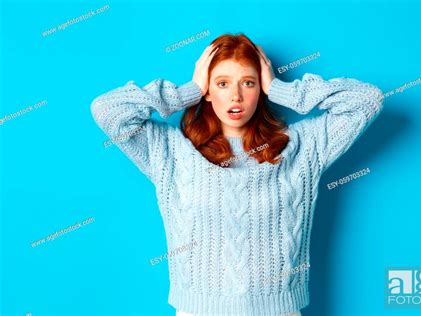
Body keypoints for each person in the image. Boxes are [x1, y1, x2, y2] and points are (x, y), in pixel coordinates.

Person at [91, 33, 384, 316]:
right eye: (221, 83)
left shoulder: (302, 147)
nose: (236, 95)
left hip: (278, 312)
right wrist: (188, 91)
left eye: (248, 82)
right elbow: (107, 110)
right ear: (207, 90)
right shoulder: (171, 151)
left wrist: (281, 89)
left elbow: (367, 100)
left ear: (261, 88)